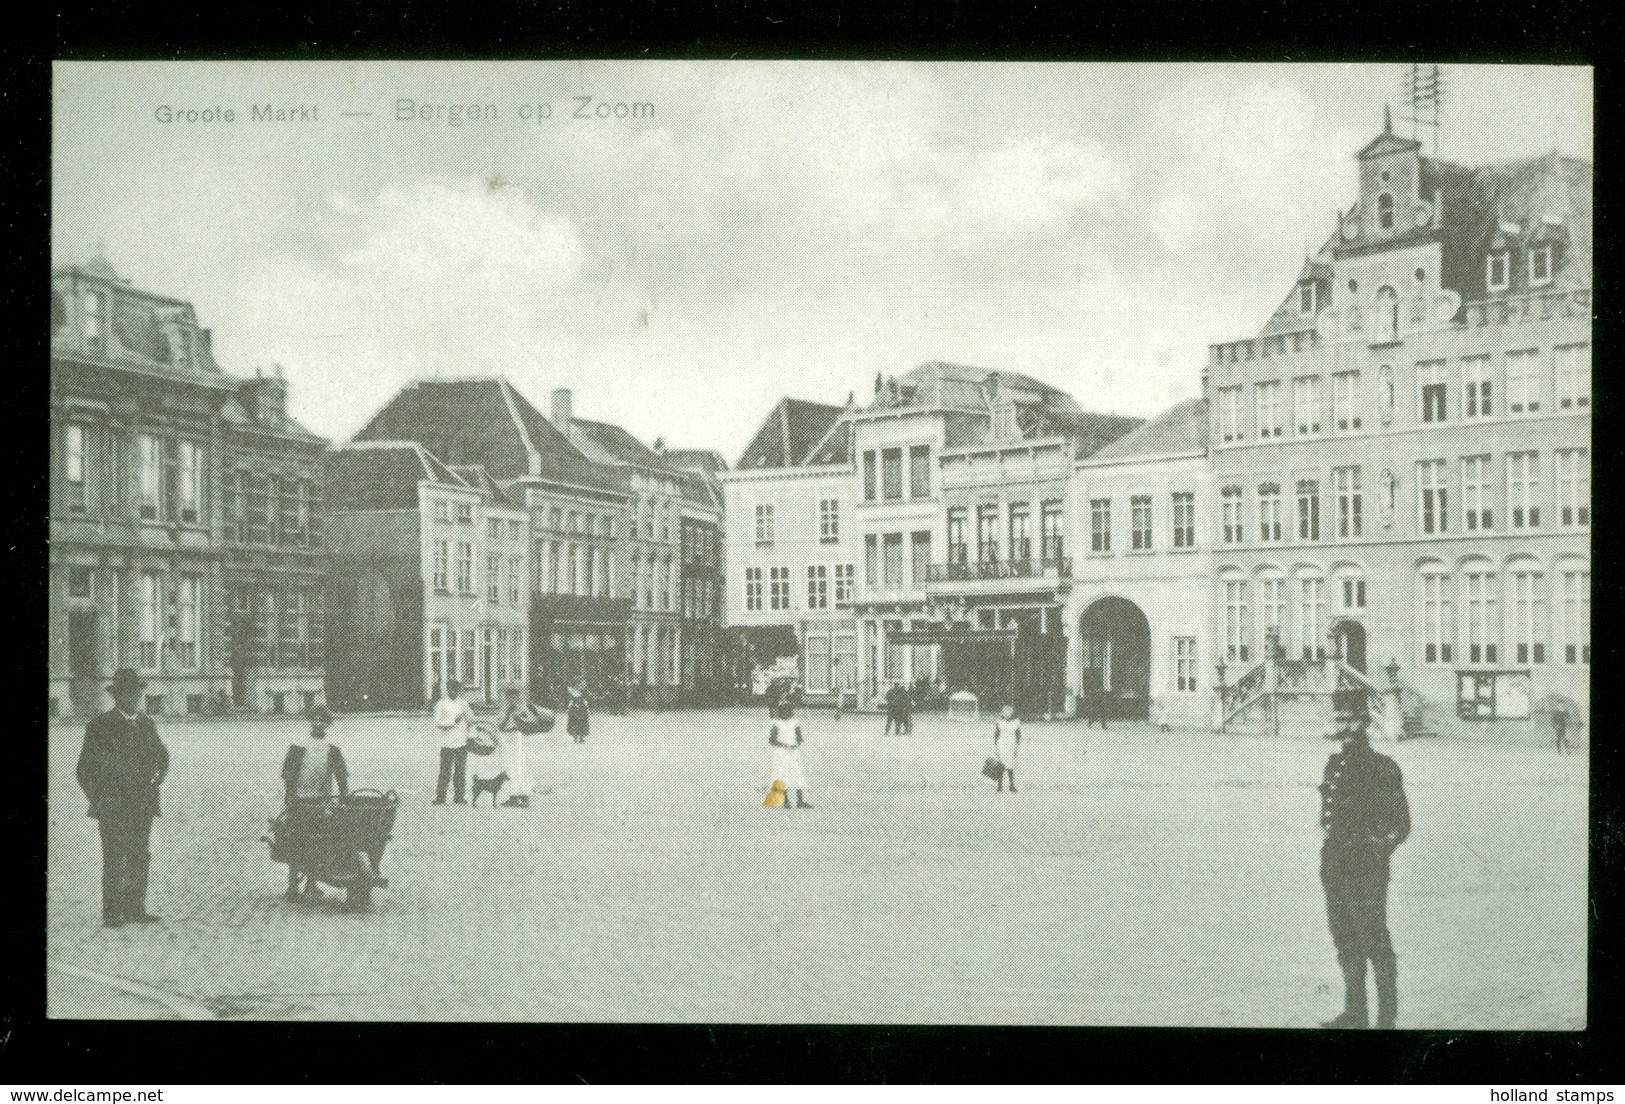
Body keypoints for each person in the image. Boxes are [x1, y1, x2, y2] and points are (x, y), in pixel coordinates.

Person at [1318, 688, 1411, 1029]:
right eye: (1338, 717)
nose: (1341, 724)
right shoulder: (1335, 763)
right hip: (1334, 865)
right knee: (1343, 936)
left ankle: (1387, 1020)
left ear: (1363, 722)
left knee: (1374, 938)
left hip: (1365, 868)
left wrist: (1374, 853)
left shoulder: (1381, 767)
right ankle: (1355, 1013)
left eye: (1348, 718)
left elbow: (1401, 825)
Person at [76, 668, 170, 928]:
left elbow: (163, 756)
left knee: (140, 855)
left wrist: (157, 778)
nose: (135, 698)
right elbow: (83, 769)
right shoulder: (100, 727)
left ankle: (135, 908)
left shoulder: (146, 724)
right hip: (113, 806)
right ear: (116, 696)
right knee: (114, 857)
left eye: (138, 693)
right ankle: (112, 913)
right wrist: (99, 798)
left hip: (142, 804)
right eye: (128, 693)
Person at [278, 704, 349, 899]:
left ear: (328, 724)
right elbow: (288, 773)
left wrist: (344, 795)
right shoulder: (299, 744)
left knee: (319, 840)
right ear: (310, 721)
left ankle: (312, 883)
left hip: (322, 800)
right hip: (300, 800)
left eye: (323, 721)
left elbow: (341, 774)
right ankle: (292, 885)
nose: (318, 723)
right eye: (315, 719)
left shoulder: (332, 747)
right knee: (297, 840)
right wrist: (290, 796)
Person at [497, 685, 547, 807]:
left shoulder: (522, 709)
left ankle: (523, 796)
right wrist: (508, 713)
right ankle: (514, 795)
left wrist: (522, 721)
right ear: (506, 697)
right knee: (510, 766)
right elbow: (500, 725)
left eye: (514, 697)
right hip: (507, 737)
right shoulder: (504, 710)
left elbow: (533, 723)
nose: (512, 699)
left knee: (520, 766)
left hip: (517, 736)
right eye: (509, 697)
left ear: (518, 697)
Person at [432, 678, 475, 804]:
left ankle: (459, 797)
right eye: (451, 689)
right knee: (445, 771)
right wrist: (452, 722)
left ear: (459, 690)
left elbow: (471, 721)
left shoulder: (463, 704)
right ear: (447, 689)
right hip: (447, 743)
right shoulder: (441, 704)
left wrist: (471, 736)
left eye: (456, 690)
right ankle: (440, 797)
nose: (454, 692)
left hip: (461, 742)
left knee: (460, 771)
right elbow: (438, 722)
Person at [768, 702, 812, 810]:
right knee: (783, 774)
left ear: (791, 712)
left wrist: (795, 744)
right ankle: (785, 800)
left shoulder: (795, 723)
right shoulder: (776, 724)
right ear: (780, 712)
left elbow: (800, 738)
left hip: (793, 752)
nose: (786, 714)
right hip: (781, 753)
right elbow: (771, 740)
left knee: (797, 774)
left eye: (788, 711)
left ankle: (800, 800)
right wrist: (784, 745)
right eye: (783, 711)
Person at [992, 704, 1021, 793]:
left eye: (1009, 711)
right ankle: (999, 785)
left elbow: (1018, 735)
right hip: (1002, 744)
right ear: (1002, 712)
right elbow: (996, 735)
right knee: (1000, 765)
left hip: (1011, 745)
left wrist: (1016, 746)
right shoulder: (999, 722)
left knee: (1010, 766)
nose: (1007, 713)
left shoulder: (1016, 722)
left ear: (1012, 712)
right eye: (1005, 711)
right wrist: (996, 747)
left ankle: (1011, 785)